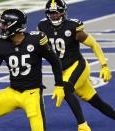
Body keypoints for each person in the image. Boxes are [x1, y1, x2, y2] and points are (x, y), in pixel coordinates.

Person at [38, 0, 115, 130]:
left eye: (57, 13)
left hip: (78, 66)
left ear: (63, 13)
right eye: (51, 13)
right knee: (96, 102)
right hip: (64, 71)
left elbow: (93, 44)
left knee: (66, 90)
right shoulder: (43, 27)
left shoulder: (73, 27)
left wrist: (104, 65)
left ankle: (82, 125)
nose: (54, 16)